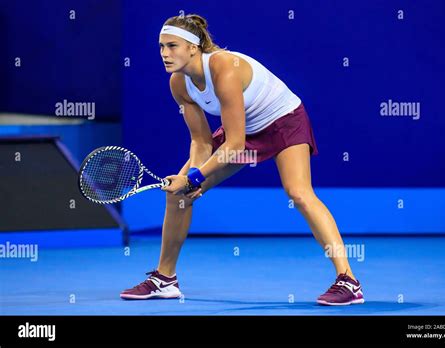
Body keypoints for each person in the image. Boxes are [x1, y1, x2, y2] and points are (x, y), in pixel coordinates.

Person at [120, 14, 364, 306]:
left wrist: (195, 177)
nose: (164, 53)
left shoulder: (223, 67)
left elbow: (234, 145)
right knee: (179, 197)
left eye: (172, 46)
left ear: (194, 48)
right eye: (161, 47)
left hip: (283, 121)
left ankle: (348, 281)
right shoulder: (179, 85)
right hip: (245, 130)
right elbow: (201, 141)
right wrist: (191, 177)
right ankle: (165, 279)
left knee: (299, 193)